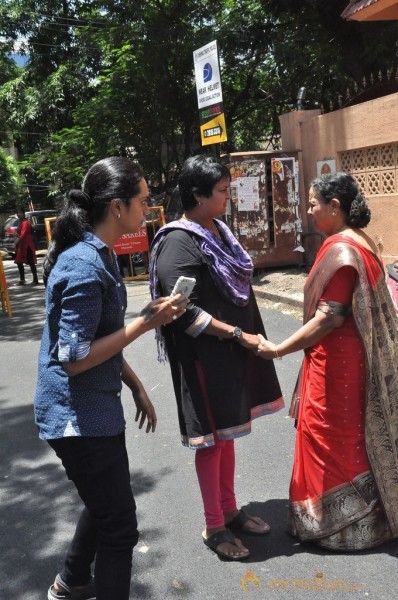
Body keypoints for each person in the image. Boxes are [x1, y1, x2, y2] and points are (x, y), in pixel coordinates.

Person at [33, 157, 187, 600]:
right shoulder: (84, 265)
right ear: (118, 207)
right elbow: (74, 359)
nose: (148, 206)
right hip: (75, 418)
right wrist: (144, 323)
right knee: (120, 527)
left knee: (105, 507)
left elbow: (100, 340)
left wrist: (136, 385)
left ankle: (71, 580)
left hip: (95, 409)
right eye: (143, 200)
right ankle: (72, 581)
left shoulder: (98, 255)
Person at [149, 155, 284, 560]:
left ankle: (229, 510)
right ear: (197, 194)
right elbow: (181, 309)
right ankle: (214, 526)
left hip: (229, 356)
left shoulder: (217, 230)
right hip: (205, 358)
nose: (228, 197)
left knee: (226, 437)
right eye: (222, 191)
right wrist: (237, 334)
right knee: (211, 442)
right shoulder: (178, 240)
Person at [256, 172, 398, 551]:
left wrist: (279, 348)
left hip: (338, 362)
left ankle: (334, 526)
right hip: (355, 356)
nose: (309, 210)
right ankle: (367, 518)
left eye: (314, 203)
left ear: (334, 208)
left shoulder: (341, 250)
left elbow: (329, 317)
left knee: (329, 435)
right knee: (350, 435)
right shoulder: (361, 241)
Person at [14, 207, 39, 285]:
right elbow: (20, 235)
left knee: (31, 262)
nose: (19, 214)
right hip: (22, 246)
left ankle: (35, 279)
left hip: (27, 245)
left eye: (20, 213)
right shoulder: (21, 222)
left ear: (23, 213)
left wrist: (15, 243)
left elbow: (23, 235)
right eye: (17, 213)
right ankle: (22, 280)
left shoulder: (26, 223)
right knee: (19, 261)